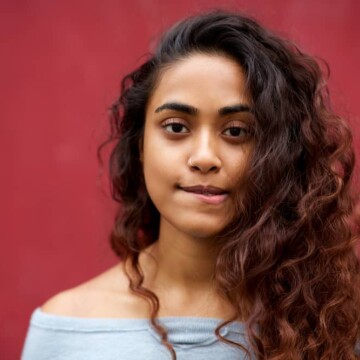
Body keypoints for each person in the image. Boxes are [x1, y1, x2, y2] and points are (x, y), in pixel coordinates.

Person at [21, 10, 360, 360]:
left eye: (237, 132)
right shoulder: (67, 327)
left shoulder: (332, 319)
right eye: (177, 127)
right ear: (140, 146)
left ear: (280, 153)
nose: (204, 157)